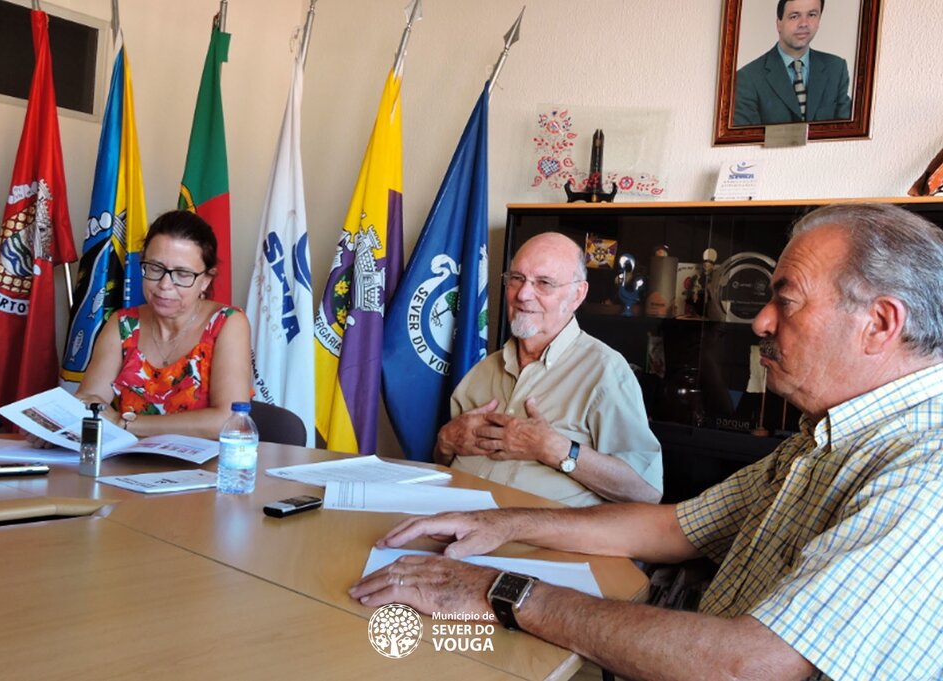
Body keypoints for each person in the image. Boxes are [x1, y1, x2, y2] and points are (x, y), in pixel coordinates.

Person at [352, 204, 943, 680]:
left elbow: (750, 665)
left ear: (881, 324)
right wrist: (508, 526)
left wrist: (501, 589)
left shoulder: (924, 470)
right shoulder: (819, 439)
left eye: (784, 301)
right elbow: (670, 527)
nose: (760, 322)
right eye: (517, 280)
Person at [435, 232, 662, 506]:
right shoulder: (483, 370)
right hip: (449, 523)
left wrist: (554, 449)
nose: (523, 294)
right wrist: (445, 442)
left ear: (577, 295)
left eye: (544, 283)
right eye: (517, 279)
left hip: (533, 545)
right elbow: (443, 461)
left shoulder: (605, 371)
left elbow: (646, 491)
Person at [72, 210, 253, 439]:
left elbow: (229, 420)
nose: (165, 285)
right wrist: (64, 423)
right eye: (155, 268)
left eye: (182, 274)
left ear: (206, 280)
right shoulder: (123, 324)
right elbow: (89, 404)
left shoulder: (227, 323)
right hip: (123, 467)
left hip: (204, 471)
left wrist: (125, 423)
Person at [733, 0, 852, 126]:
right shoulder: (747, 78)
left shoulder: (836, 69)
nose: (804, 24)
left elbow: (846, 135)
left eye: (812, 15)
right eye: (794, 16)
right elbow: (745, 142)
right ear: (779, 23)